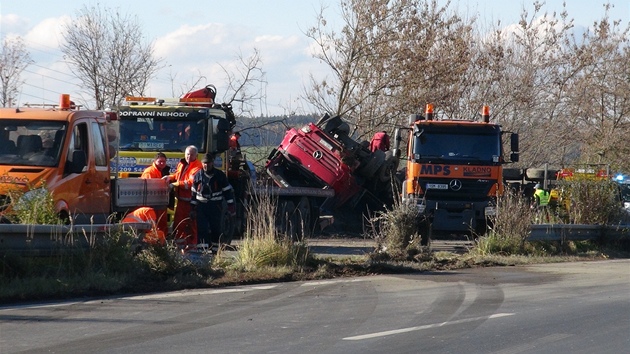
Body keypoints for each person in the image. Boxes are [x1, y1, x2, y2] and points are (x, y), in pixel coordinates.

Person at [190, 153, 236, 252]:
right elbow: (193, 193)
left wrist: (231, 206)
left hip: (215, 206)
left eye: (208, 163)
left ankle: (215, 251)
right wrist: (192, 208)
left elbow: (227, 191)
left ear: (212, 163)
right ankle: (202, 251)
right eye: (204, 163)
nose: (206, 165)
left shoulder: (219, 175)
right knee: (202, 229)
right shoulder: (198, 175)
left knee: (216, 229)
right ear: (202, 164)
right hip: (201, 207)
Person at [162, 145, 203, 248]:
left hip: (191, 201)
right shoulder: (182, 163)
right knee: (179, 224)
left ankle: (192, 246)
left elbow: (190, 183)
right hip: (181, 200)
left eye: (191, 154)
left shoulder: (197, 167)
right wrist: (169, 177)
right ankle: (179, 247)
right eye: (187, 154)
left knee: (191, 224)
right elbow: (177, 176)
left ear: (196, 155)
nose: (189, 156)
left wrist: (174, 184)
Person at [141, 152, 170, 236]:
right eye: (160, 161)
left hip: (161, 200)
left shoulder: (164, 171)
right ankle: (154, 240)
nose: (162, 163)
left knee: (162, 222)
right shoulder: (149, 172)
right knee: (153, 223)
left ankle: (162, 239)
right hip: (152, 203)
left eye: (164, 161)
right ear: (155, 161)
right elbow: (148, 189)